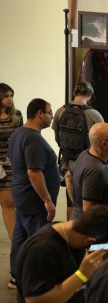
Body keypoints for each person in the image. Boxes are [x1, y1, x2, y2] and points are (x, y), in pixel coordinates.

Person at [7, 98, 59, 289]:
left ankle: (17, 275)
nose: (52, 116)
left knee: (20, 238)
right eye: (50, 112)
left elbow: (13, 162)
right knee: (40, 241)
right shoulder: (33, 139)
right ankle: (38, 280)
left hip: (22, 197)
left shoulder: (17, 133)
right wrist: (47, 200)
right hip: (35, 201)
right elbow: (34, 172)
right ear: (39, 114)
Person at [52, 82, 105, 220]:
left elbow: (57, 137)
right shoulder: (94, 114)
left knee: (71, 202)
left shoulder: (60, 111)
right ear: (90, 94)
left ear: (74, 93)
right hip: (87, 162)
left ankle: (71, 230)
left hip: (67, 161)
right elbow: (102, 139)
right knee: (89, 198)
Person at [65, 123, 108, 219]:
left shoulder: (85, 154)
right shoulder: (96, 171)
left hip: (79, 218)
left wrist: (77, 203)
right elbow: (89, 213)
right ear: (104, 144)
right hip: (92, 231)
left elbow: (68, 176)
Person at [0, 83, 22, 250]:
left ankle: (16, 244)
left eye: (11, 95)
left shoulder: (17, 116)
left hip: (9, 166)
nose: (9, 99)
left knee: (9, 204)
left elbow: (22, 139)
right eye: (6, 96)